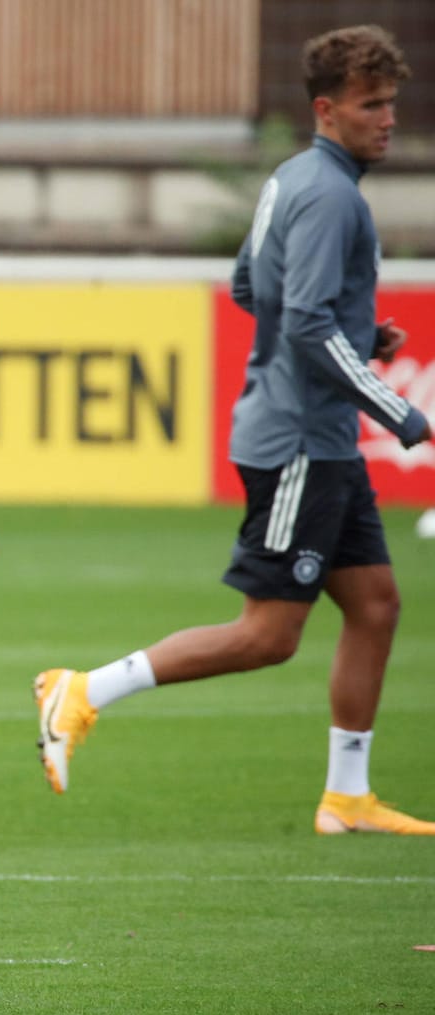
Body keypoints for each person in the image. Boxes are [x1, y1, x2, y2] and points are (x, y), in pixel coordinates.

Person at [33, 25, 432, 836]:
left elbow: (253, 284)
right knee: (270, 634)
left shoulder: (297, 179)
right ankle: (81, 690)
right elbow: (310, 328)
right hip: (298, 445)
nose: (387, 118)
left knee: (377, 604)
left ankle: (346, 795)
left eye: (391, 103)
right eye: (371, 105)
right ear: (327, 108)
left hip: (314, 438)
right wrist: (403, 412)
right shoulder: (330, 196)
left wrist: (356, 340)